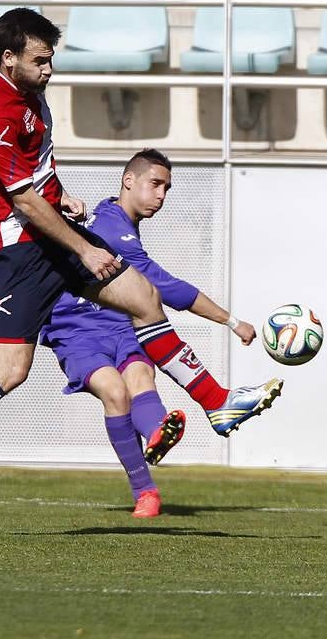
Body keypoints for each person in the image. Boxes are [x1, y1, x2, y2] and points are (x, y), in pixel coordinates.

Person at [0, 8, 282, 533]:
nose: (49, 68)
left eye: (51, 58)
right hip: (19, 254)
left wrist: (64, 199)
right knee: (10, 371)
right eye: (40, 60)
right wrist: (82, 247)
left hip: (51, 232)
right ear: (8, 59)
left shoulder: (30, 94)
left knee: (144, 297)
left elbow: (40, 183)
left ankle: (217, 403)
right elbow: (24, 204)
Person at [40, 149, 282, 517]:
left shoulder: (111, 219)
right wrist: (232, 321)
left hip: (121, 327)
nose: (161, 196)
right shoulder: (113, 230)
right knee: (114, 391)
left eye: (167, 188)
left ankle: (156, 439)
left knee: (141, 376)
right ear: (129, 181)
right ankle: (147, 483)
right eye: (155, 184)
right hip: (77, 330)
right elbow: (171, 289)